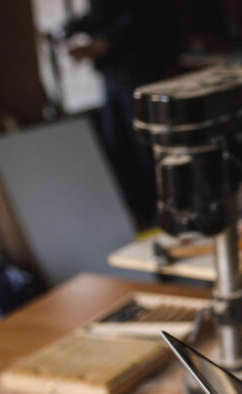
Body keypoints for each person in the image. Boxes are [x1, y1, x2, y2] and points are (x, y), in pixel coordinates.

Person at [63, 0, 181, 228]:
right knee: (118, 147)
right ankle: (142, 217)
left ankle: (168, 215)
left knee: (148, 148)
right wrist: (71, 28)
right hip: (113, 74)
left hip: (142, 69)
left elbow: (140, 16)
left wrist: (104, 43)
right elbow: (102, 12)